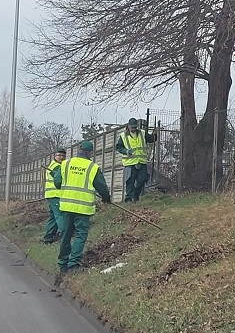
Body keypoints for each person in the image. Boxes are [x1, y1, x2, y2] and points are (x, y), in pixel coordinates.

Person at [55, 141, 111, 282]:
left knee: (66, 235)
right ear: (90, 153)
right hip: (83, 209)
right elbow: (101, 186)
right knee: (80, 235)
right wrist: (106, 198)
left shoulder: (66, 164)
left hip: (67, 207)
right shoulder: (92, 167)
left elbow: (57, 182)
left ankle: (62, 264)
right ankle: (73, 264)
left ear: (79, 150)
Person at [115, 117, 157, 203]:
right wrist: (126, 151)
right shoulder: (123, 136)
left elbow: (151, 139)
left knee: (142, 180)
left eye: (135, 127)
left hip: (141, 161)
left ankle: (136, 196)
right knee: (130, 181)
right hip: (129, 163)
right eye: (132, 127)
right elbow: (119, 147)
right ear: (128, 126)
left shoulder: (142, 133)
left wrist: (155, 135)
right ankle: (128, 199)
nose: (133, 129)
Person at [41, 148, 67, 244]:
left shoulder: (59, 166)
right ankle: (65, 236)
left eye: (63, 156)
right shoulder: (56, 166)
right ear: (55, 156)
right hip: (55, 195)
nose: (61, 157)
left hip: (53, 195)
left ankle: (48, 238)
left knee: (53, 217)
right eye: (59, 155)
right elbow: (61, 179)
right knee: (60, 215)